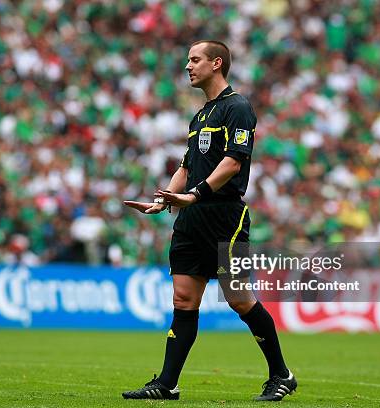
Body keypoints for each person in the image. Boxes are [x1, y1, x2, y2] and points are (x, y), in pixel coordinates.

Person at [122, 40, 297, 402]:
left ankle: (282, 374)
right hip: (190, 217)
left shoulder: (238, 108)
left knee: (238, 298)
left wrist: (195, 195)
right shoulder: (200, 116)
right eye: (188, 59)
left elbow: (233, 162)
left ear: (216, 64)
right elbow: (187, 167)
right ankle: (167, 384)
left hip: (223, 217)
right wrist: (162, 200)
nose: (188, 66)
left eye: (195, 59)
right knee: (184, 301)